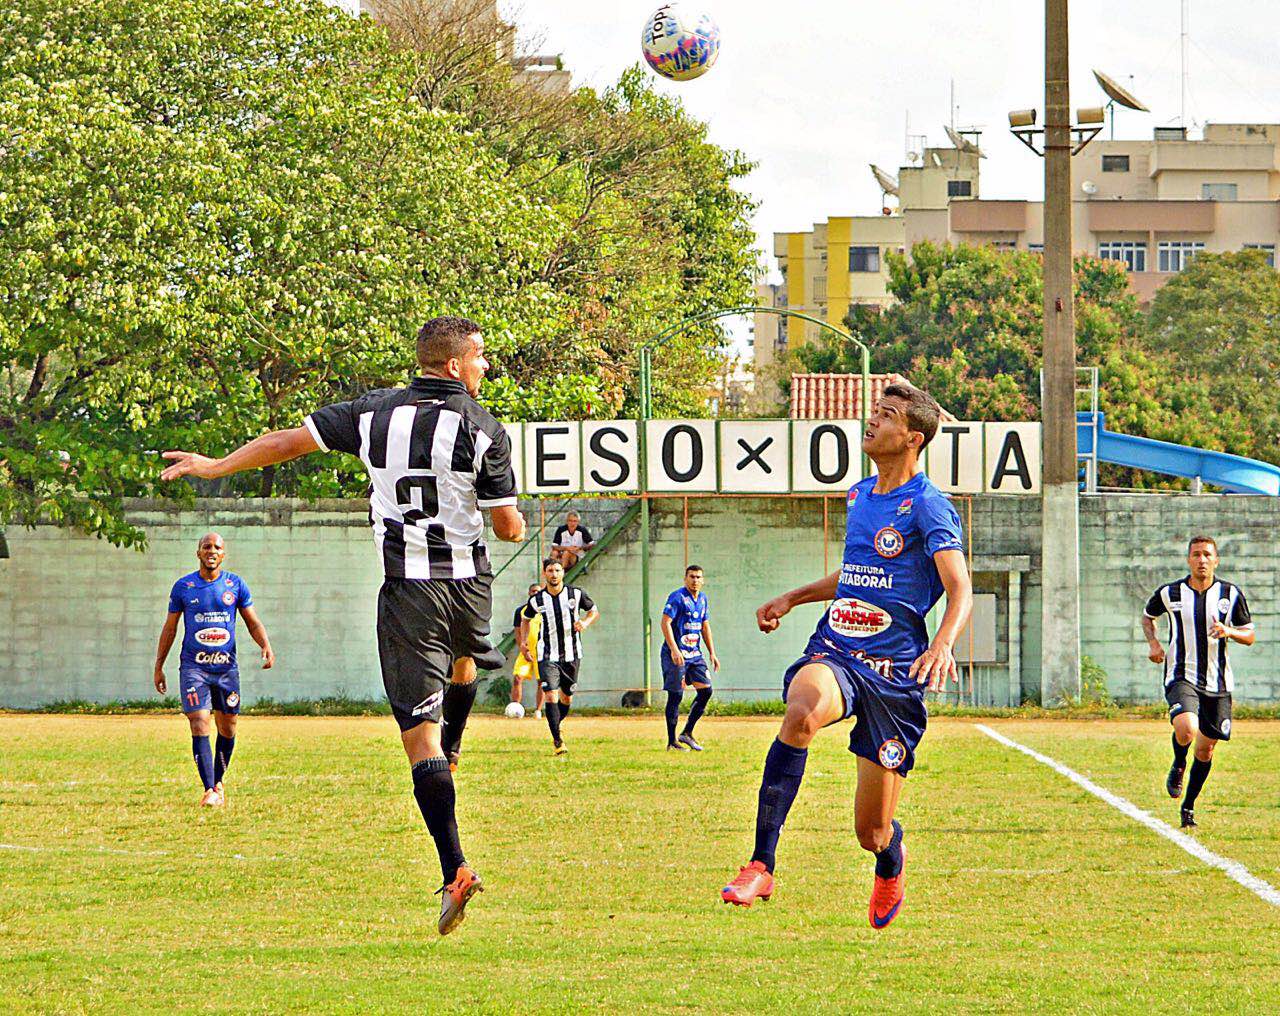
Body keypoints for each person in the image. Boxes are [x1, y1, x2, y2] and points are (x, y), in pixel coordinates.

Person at [159, 315, 526, 936]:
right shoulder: (485, 429)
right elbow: (510, 528)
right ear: (457, 364)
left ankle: (455, 867)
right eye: (482, 357)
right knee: (466, 660)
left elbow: (285, 442)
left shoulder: (373, 413)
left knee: (419, 740)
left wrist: (216, 466)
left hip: (411, 592)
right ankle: (456, 744)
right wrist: (505, 513)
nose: (486, 366)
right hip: (473, 586)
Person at [719, 384, 972, 930]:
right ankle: (761, 863)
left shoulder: (929, 505)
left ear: (913, 437)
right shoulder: (859, 495)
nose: (873, 421)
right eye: (875, 412)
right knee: (802, 710)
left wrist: (942, 642)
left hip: (896, 673)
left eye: (887, 416)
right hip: (838, 646)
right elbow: (855, 575)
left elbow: (960, 587)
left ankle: (890, 860)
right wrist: (793, 597)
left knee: (872, 833)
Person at [153, 533, 274, 807]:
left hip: (226, 669)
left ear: (223, 554)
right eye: (206, 547)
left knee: (228, 726)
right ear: (198, 553)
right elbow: (170, 627)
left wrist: (265, 644)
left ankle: (218, 782)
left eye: (217, 547)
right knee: (199, 721)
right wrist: (159, 665)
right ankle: (209, 789)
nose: (211, 551)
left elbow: (252, 622)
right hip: (194, 668)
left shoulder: (235, 585)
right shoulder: (184, 587)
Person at [1142, 536, 1255, 829]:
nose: (1201, 560)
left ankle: (1188, 807)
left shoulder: (1230, 594)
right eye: (1196, 555)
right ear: (1188, 560)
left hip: (1218, 684)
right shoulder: (1171, 593)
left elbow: (1249, 635)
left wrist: (1228, 631)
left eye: (1207, 555)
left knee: (1205, 751)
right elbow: (1147, 616)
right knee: (1186, 728)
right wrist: (1154, 644)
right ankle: (1179, 762)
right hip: (1181, 675)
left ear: (1216, 560)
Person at [518, 558, 598, 755]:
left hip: (572, 655)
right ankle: (558, 741)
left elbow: (593, 611)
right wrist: (524, 642)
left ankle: (557, 724)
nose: (554, 574)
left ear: (562, 573)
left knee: (566, 697)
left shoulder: (576, 594)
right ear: (544, 573)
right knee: (551, 695)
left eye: (557, 570)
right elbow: (525, 619)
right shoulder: (537, 600)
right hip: (547, 654)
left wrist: (586, 623)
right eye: (550, 571)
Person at [660, 564, 719, 751]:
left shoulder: (703, 599)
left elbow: (704, 626)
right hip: (676, 655)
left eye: (698, 577)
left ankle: (686, 733)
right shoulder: (677, 597)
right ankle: (671, 741)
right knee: (676, 695)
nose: (695, 580)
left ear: (703, 580)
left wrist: (712, 652)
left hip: (695, 655)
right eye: (692, 577)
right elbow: (665, 623)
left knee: (706, 691)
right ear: (685, 578)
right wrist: (674, 649)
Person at [512, 583, 545, 717]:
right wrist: (523, 648)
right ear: (529, 593)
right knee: (517, 678)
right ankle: (515, 708)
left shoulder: (545, 611)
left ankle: (538, 710)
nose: (535, 593)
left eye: (537, 591)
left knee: (542, 681)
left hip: (542, 651)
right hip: (525, 651)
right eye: (532, 591)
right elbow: (518, 632)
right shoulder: (521, 611)